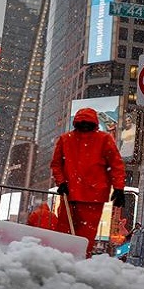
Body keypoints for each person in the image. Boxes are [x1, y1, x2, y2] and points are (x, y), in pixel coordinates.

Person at [50, 107, 126, 257]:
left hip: (81, 194)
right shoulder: (101, 139)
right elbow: (116, 165)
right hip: (88, 194)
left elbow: (116, 165)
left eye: (87, 123)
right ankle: (76, 258)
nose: (84, 127)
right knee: (80, 233)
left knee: (70, 232)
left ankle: (66, 258)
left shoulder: (67, 139)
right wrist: (118, 188)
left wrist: (119, 188)